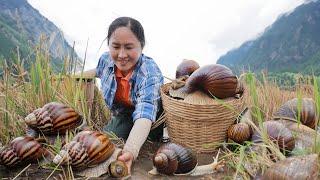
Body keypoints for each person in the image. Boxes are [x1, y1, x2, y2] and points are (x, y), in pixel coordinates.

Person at [82, 16, 164, 174]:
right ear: (109, 45)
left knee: (149, 140)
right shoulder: (106, 60)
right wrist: (71, 76)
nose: (121, 54)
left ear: (141, 46)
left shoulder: (149, 72)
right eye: (115, 46)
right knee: (107, 140)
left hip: (151, 119)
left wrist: (131, 151)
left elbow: (145, 112)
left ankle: (151, 138)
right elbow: (98, 72)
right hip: (124, 113)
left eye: (129, 47)